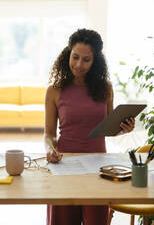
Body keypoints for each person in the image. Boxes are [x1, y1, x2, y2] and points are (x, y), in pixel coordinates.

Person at [44, 28, 135, 225]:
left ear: (95, 61)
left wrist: (123, 128)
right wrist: (50, 149)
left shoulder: (106, 88)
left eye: (86, 60)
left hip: (98, 168)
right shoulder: (54, 91)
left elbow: (109, 128)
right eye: (75, 57)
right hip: (64, 165)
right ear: (68, 54)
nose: (79, 64)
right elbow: (49, 134)